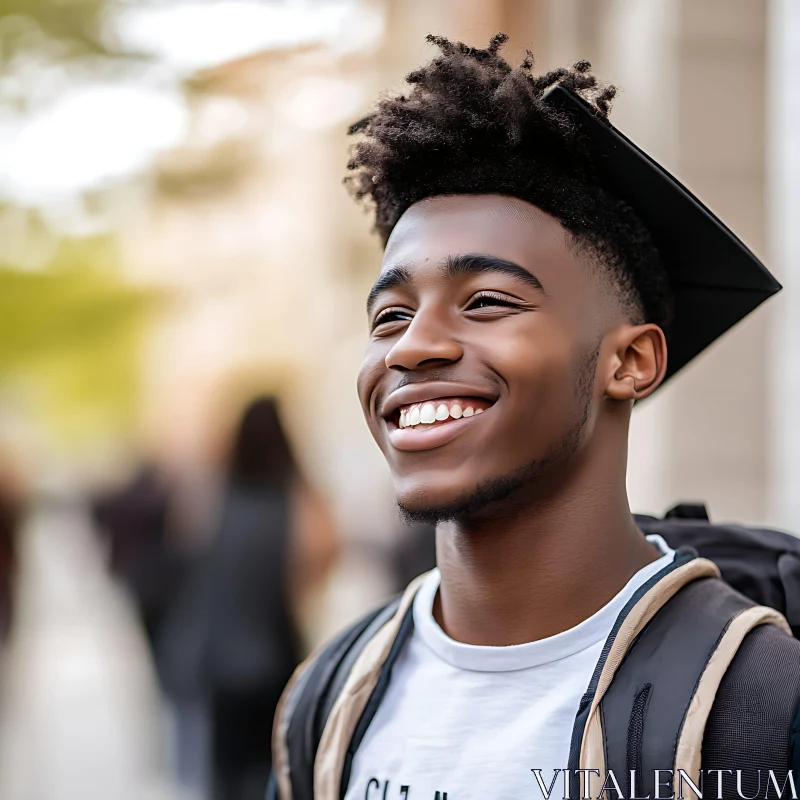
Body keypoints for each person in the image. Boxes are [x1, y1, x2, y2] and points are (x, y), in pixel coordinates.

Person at [269, 34, 800, 800]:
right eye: (389, 316)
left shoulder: (753, 707)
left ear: (630, 362)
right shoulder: (331, 696)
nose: (411, 347)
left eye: (485, 301)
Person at [161, 396, 338, 800]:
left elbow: (182, 541)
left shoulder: (213, 494)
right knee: (281, 771)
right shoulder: (298, 497)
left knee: (226, 773)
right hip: (278, 654)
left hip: (219, 661)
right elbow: (323, 559)